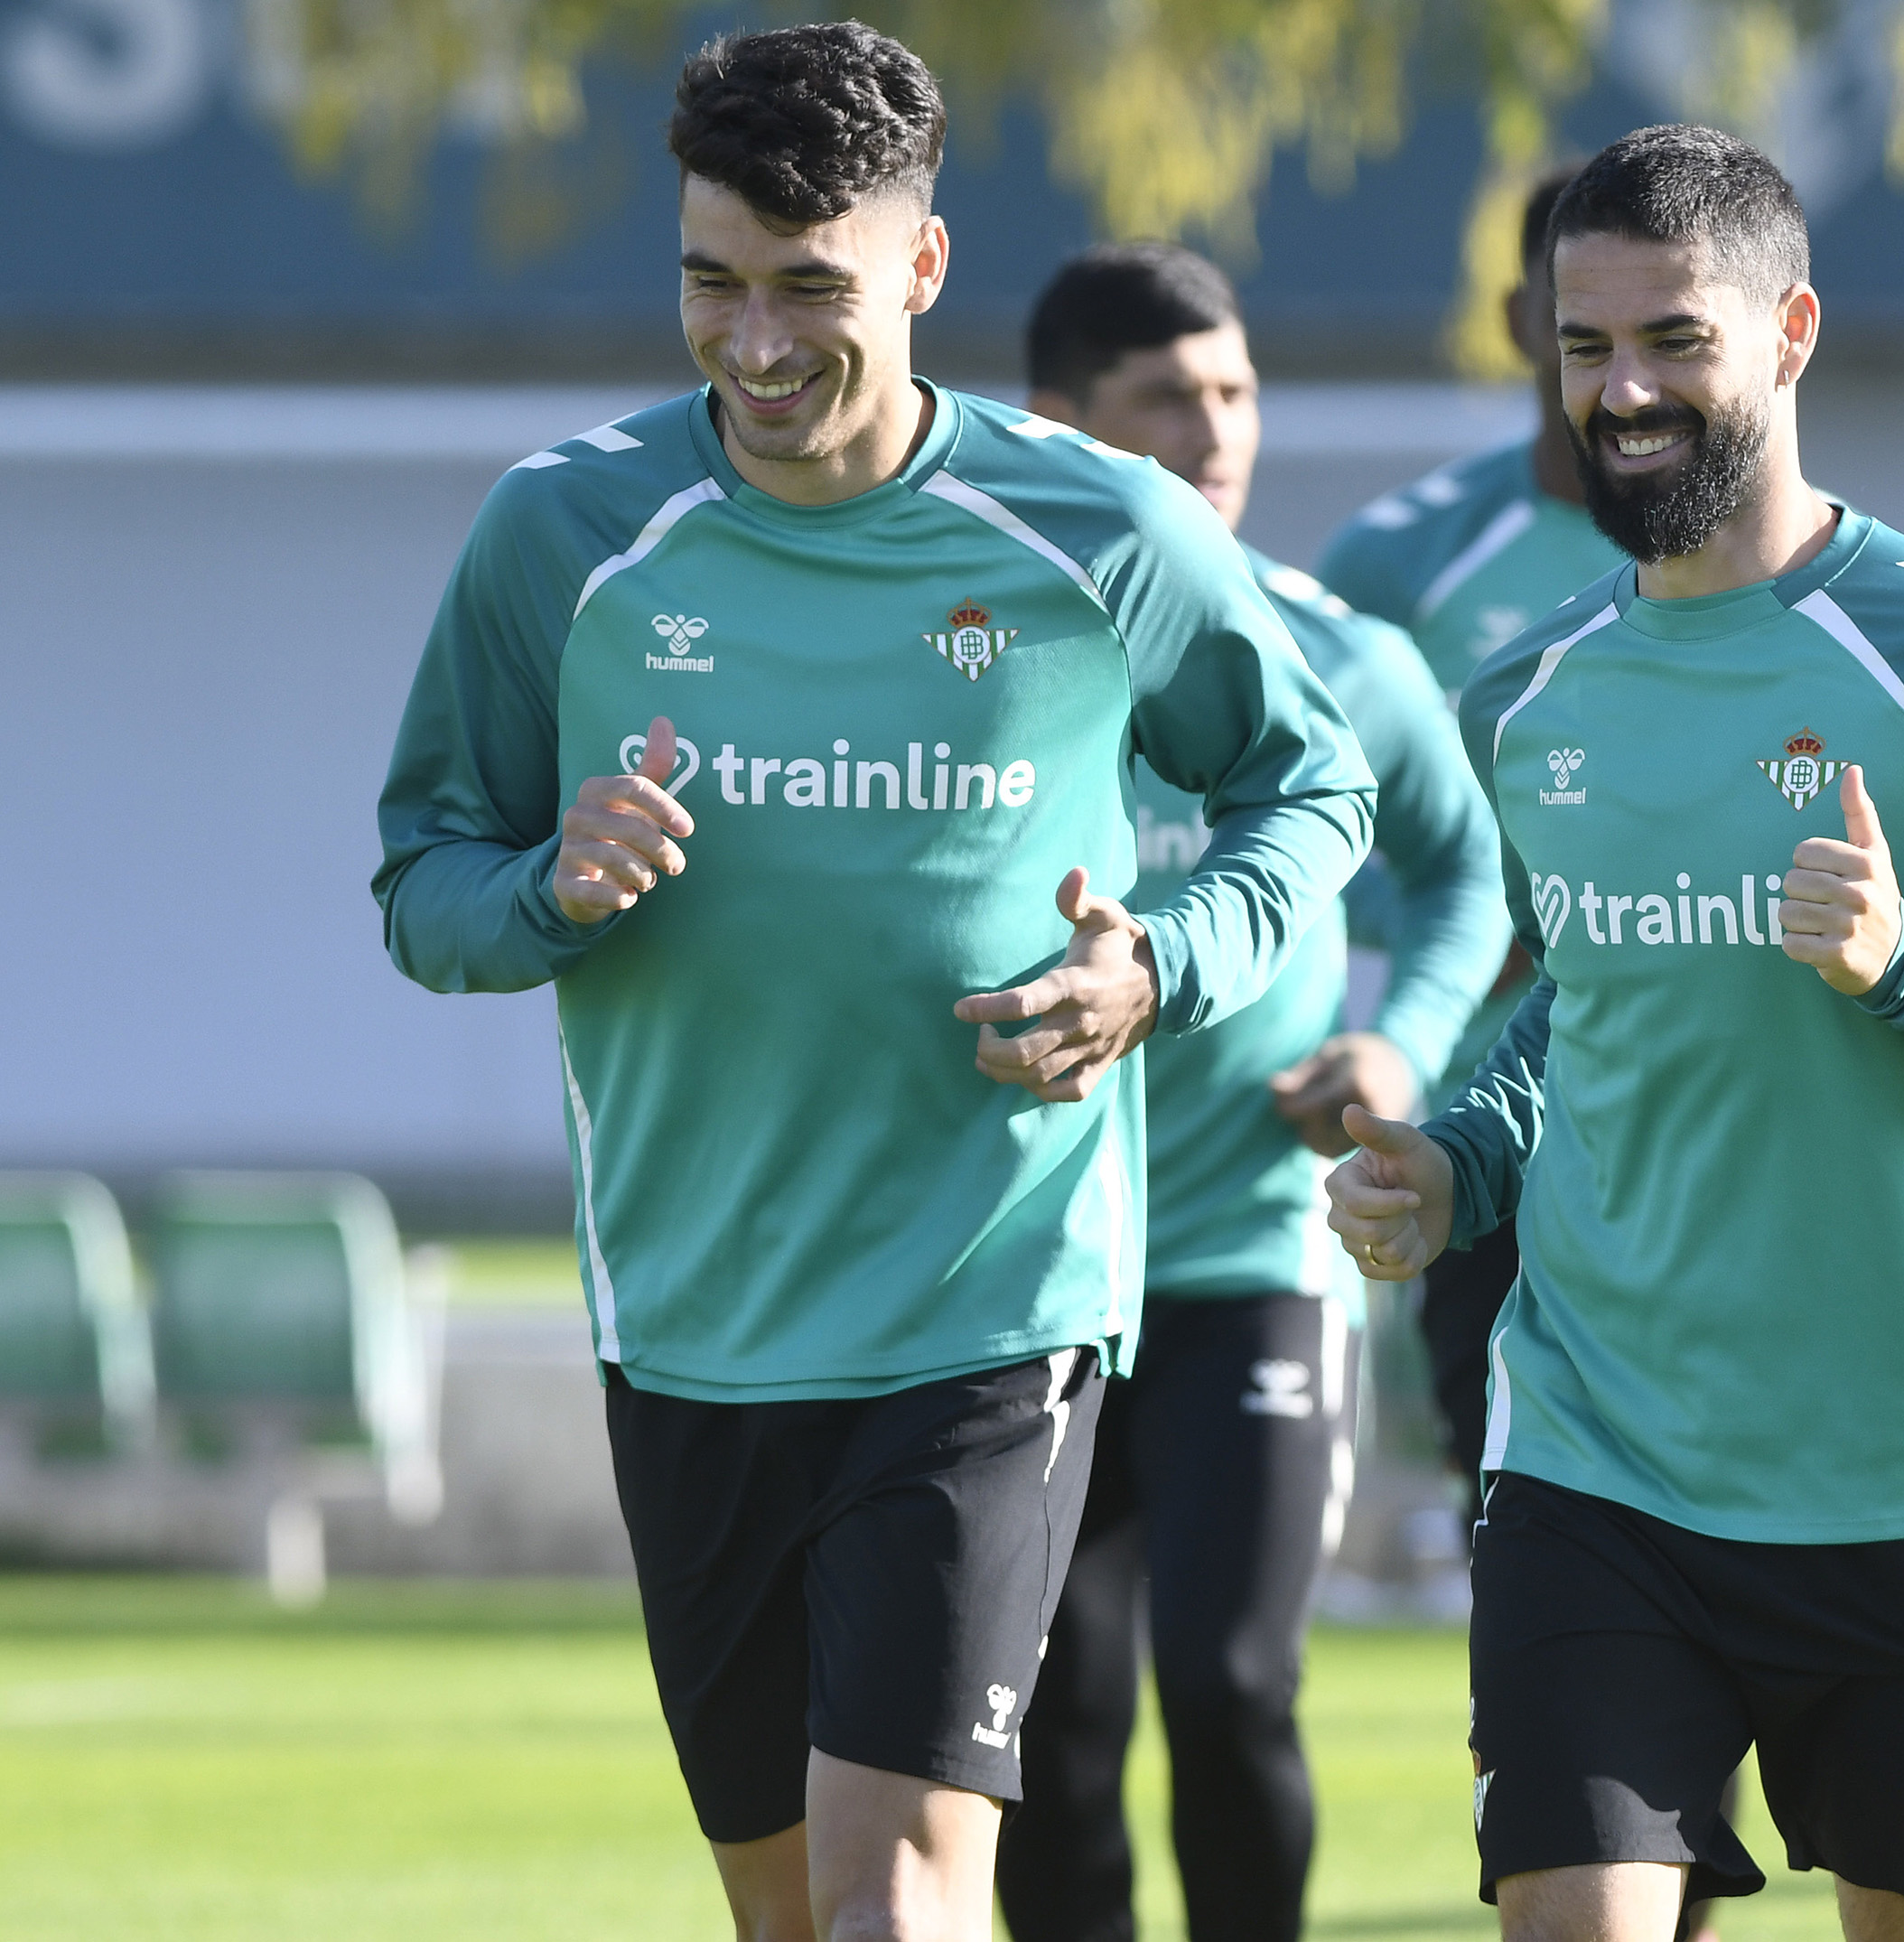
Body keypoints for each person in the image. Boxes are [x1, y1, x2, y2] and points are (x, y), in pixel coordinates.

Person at [370, 27, 1376, 1940]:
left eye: (807, 290)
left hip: (986, 1299)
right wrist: (552, 890)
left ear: (919, 269)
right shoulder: (561, 538)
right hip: (691, 1314)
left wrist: (1160, 966)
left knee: (900, 1892)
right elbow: (428, 885)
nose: (753, 346)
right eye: (710, 283)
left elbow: (1312, 784)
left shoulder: (1100, 529)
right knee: (789, 1914)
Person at [1326, 125, 1904, 1942]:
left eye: (1674, 341)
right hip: (1595, 1460)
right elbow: (1570, 1009)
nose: (1625, 393)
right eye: (1586, 352)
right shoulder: (1537, 699)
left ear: (1791, 331)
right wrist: (1455, 1161)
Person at [990, 242, 1512, 1942]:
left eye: (1235, 393)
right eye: (1168, 400)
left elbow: (1466, 878)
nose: (1216, 433)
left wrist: (1400, 1048)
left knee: (1229, 1688)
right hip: (1017, 1271)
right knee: (1047, 1730)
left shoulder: (1339, 657)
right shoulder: (973, 646)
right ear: (1060, 423)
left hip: (1249, 1268)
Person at [1316, 168, 1632, 1525]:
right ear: (1521, 317)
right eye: (1584, 319)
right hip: (1481, 1125)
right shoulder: (1401, 564)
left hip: (1696, 1123)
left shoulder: (1788, 570)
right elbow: (1298, 823)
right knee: (1523, 1520)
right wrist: (1475, 915)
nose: (1625, 374)